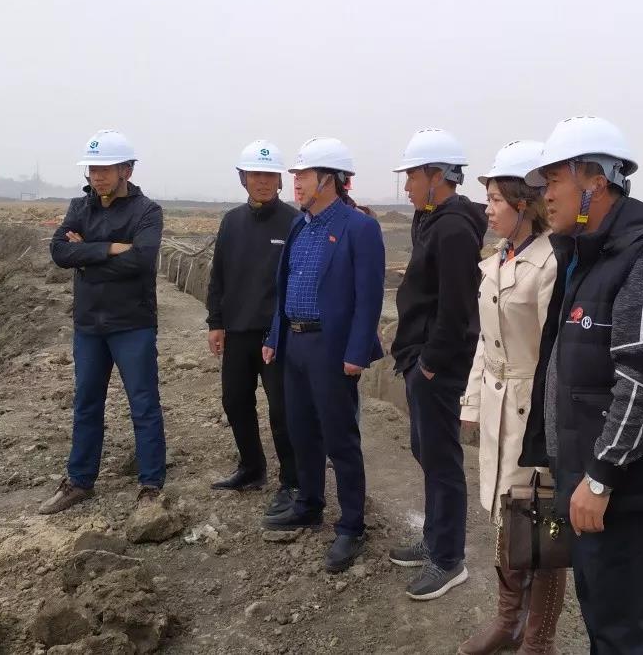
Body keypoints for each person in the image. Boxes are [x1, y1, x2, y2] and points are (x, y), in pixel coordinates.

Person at [518, 116, 643, 654]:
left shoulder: (642, 259)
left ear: (595, 183)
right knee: (603, 617)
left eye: (554, 180)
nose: (544, 195)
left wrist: (601, 477)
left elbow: (642, 379)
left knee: (625, 631)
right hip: (588, 477)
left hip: (618, 486)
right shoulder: (588, 254)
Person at [457, 140, 564, 655]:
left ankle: (537, 640)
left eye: (496, 199)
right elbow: (487, 342)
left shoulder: (549, 264)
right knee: (505, 517)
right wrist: (472, 404)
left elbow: (555, 356)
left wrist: (548, 423)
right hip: (499, 402)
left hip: (532, 409)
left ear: (525, 203)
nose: (488, 210)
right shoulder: (497, 260)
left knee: (539, 528)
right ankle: (508, 621)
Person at [261, 138, 386, 574]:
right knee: (301, 431)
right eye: (295, 176)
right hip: (295, 343)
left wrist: (357, 352)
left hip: (331, 348)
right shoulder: (301, 225)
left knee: (340, 438)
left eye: (303, 176)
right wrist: (275, 335)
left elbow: (369, 297)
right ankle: (309, 504)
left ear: (328, 179)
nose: (295, 183)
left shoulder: (359, 228)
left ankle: (351, 525)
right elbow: (286, 284)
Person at [40, 129, 167, 524]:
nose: (97, 176)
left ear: (126, 170)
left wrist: (86, 256)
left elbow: (142, 260)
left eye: (106, 169)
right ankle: (80, 480)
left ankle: (151, 485)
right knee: (86, 403)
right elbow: (59, 251)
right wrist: (110, 247)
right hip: (89, 325)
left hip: (132, 324)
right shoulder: (79, 207)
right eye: (93, 169)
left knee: (143, 404)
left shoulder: (147, 211)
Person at [388, 128, 487, 601]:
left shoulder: (453, 229)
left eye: (412, 176)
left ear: (437, 175)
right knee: (426, 451)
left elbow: (457, 307)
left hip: (437, 367)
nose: (406, 186)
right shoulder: (430, 219)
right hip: (421, 359)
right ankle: (434, 538)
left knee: (442, 460)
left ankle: (448, 559)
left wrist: (429, 364)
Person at [205, 140, 300, 517]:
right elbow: (219, 276)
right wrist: (216, 322)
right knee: (235, 401)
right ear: (243, 178)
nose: (262, 181)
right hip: (238, 331)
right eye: (255, 175)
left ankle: (292, 481)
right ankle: (251, 467)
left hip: (277, 335)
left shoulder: (293, 222)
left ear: (279, 180)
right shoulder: (231, 221)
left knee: (282, 410)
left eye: (269, 175)